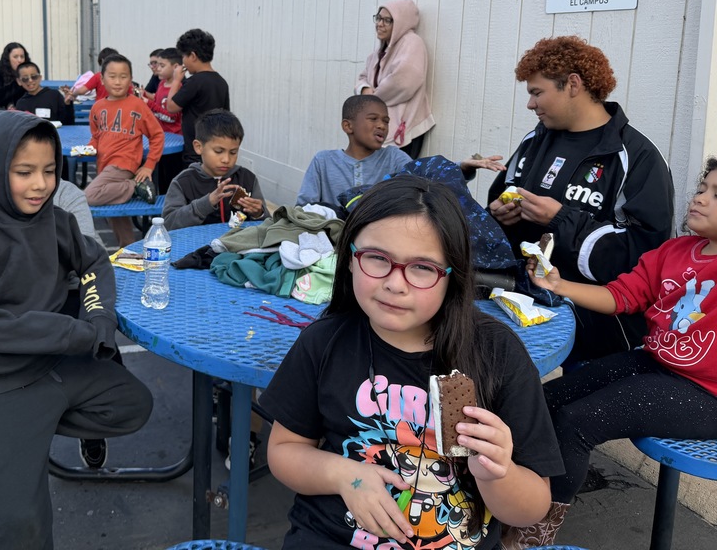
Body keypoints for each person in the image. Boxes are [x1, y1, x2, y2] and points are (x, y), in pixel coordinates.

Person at [258, 176, 563, 549]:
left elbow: (532, 508)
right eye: (377, 258)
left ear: (453, 276)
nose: (395, 283)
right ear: (350, 260)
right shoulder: (325, 342)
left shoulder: (496, 353)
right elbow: (284, 449)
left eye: (422, 268)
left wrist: (496, 474)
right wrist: (345, 475)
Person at [0, 112, 153, 550]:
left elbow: (95, 263)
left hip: (43, 363)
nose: (41, 185)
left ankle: (25, 432)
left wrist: (98, 319)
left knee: (132, 404)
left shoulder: (56, 220)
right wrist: (71, 335)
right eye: (23, 172)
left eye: (49, 171)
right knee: (21, 529)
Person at [526, 157, 717, 548]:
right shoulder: (675, 251)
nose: (700, 199)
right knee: (541, 401)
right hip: (655, 363)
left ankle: (531, 535)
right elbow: (621, 295)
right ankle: (519, 496)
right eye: (703, 189)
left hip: (706, 396)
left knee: (577, 422)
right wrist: (558, 284)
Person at [487, 35, 674, 362]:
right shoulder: (535, 139)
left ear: (572, 84)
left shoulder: (637, 156)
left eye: (537, 92)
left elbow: (645, 255)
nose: (530, 104)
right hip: (521, 309)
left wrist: (560, 220)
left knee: (563, 408)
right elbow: (505, 195)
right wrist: (500, 213)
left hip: (598, 333)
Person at [84, 54, 165, 247]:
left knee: (89, 196)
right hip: (104, 165)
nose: (118, 81)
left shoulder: (137, 105)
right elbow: (96, 137)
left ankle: (134, 187)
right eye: (112, 76)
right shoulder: (97, 107)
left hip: (124, 164)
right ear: (102, 79)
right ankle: (128, 250)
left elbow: (157, 135)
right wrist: (88, 149)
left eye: (123, 76)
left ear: (131, 79)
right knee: (115, 211)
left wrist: (148, 166)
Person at [296, 95, 412, 207]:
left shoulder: (394, 158)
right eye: (373, 119)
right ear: (348, 126)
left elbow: (418, 187)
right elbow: (304, 209)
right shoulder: (323, 161)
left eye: (386, 121)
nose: (382, 126)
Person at [163, 109, 269, 230]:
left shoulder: (247, 179)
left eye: (233, 152)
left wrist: (258, 213)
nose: (226, 159)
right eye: (218, 151)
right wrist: (205, 204)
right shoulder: (183, 182)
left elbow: (267, 224)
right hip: (195, 246)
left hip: (237, 246)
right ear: (198, 147)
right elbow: (168, 224)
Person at [355, 0, 434, 158]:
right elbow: (363, 77)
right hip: (383, 126)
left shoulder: (411, 43)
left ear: (401, 22)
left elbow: (403, 83)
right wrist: (364, 89)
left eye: (387, 20)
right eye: (378, 18)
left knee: (396, 179)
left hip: (403, 129)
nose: (379, 24)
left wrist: (372, 99)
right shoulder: (380, 51)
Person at [166, 28, 230, 164]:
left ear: (193, 56)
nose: (183, 61)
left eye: (184, 56)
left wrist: (176, 80)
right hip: (214, 150)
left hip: (195, 152)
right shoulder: (221, 82)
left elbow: (171, 107)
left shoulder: (194, 82)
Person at [144, 47, 183, 193]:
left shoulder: (177, 87)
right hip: (161, 139)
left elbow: (171, 117)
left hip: (175, 141)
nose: (157, 69)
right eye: (156, 65)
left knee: (171, 180)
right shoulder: (161, 84)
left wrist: (149, 104)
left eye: (162, 65)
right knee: (159, 178)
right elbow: (157, 102)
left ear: (175, 67)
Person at [62, 46, 134, 102]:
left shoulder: (98, 76)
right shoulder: (124, 80)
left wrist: (73, 93)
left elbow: (82, 90)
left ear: (102, 61)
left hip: (102, 110)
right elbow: (132, 95)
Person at [0, 42, 30, 113]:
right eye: (15, 57)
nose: (19, 60)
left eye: (22, 57)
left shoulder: (28, 71)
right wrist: (16, 84)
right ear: (8, 58)